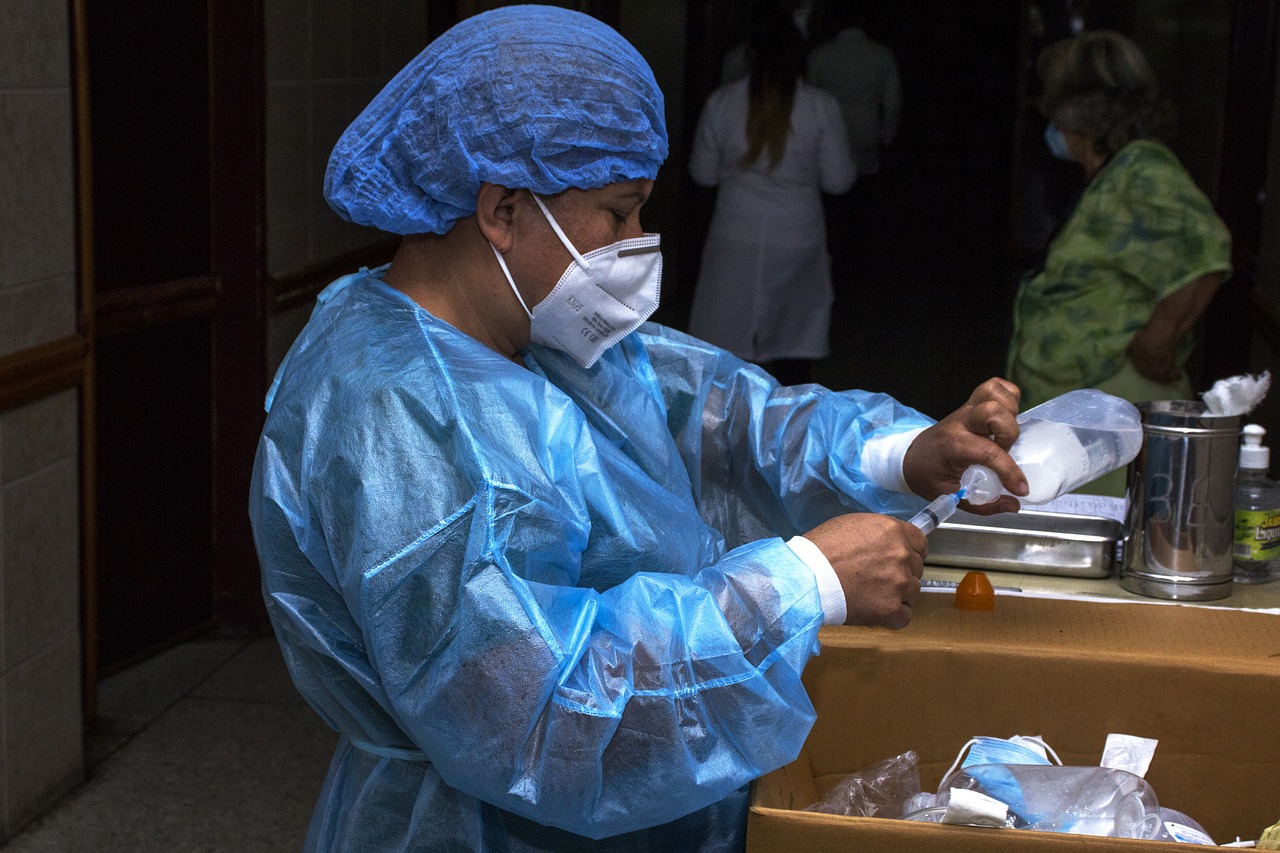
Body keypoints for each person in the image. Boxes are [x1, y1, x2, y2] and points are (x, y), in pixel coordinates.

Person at [249, 6, 1027, 851]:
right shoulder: (399, 412)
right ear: (503, 208)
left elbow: (722, 417)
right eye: (618, 214)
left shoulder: (529, 331)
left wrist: (902, 452)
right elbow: (535, 714)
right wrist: (800, 583)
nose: (638, 243)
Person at [1006, 30, 1232, 415]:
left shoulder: (1142, 168)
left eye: (1053, 106)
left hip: (1111, 408)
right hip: (1075, 408)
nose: (1048, 118)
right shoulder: (1107, 176)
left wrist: (1157, 340)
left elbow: (1207, 247)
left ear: (1079, 110)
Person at [686, 1, 854, 386]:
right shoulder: (821, 107)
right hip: (797, 239)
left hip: (734, 237)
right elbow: (839, 180)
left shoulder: (722, 103)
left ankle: (729, 420)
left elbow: (702, 174)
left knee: (726, 351)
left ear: (749, 55)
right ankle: (788, 421)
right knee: (794, 345)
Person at [806, 3, 902, 289]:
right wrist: (886, 136)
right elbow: (893, 103)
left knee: (833, 204)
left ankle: (835, 264)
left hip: (829, 133)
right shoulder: (881, 55)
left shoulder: (821, 54)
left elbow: (809, 99)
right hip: (866, 131)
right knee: (864, 200)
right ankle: (860, 266)